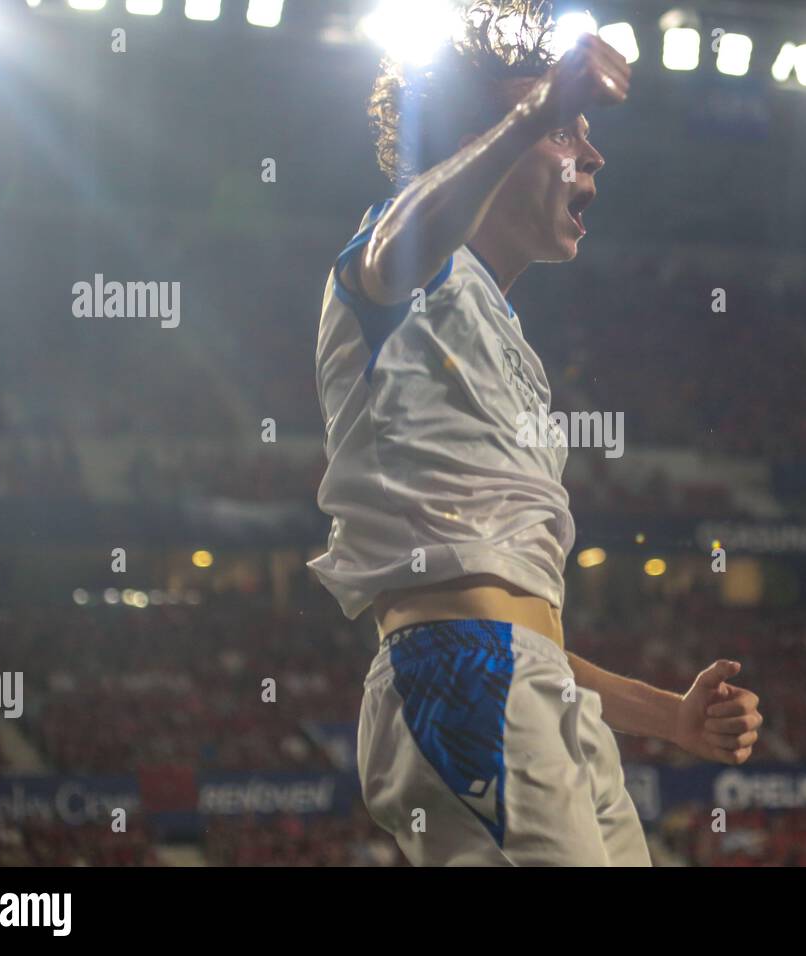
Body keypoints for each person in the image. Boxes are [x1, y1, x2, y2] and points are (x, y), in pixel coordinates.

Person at [309, 1, 762, 866]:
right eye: (568, 132)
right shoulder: (395, 259)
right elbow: (403, 238)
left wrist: (667, 715)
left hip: (528, 677)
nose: (590, 151)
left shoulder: (506, 334)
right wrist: (530, 116)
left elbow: (522, 623)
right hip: (456, 669)